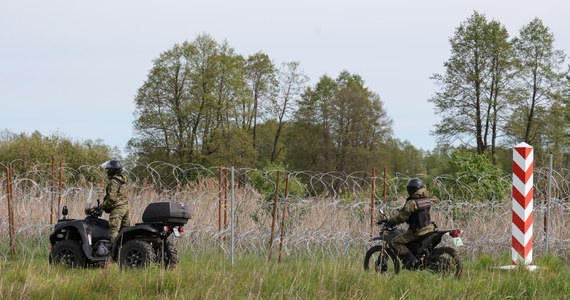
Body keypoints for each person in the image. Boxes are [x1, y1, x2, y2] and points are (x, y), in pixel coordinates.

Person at [382, 178, 435, 269]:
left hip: (417, 232)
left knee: (396, 241)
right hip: (429, 228)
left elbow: (402, 217)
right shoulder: (426, 200)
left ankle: (411, 260)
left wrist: (390, 221)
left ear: (411, 189)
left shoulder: (412, 203)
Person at [100, 160, 129, 242]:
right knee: (124, 230)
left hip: (118, 208)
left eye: (109, 170)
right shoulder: (123, 180)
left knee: (113, 230)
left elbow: (112, 198)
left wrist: (102, 206)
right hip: (125, 207)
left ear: (113, 170)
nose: (108, 171)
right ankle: (123, 250)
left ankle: (114, 253)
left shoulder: (114, 181)